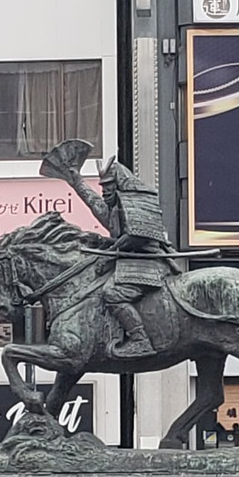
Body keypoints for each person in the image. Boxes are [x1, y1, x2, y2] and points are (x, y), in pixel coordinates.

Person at [57, 152, 175, 358]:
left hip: (147, 263)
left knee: (112, 293)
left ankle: (140, 339)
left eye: (109, 186)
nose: (104, 191)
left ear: (119, 185)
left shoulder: (138, 204)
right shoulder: (115, 212)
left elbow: (135, 237)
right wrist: (77, 182)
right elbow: (95, 204)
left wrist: (110, 254)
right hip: (129, 262)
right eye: (103, 187)